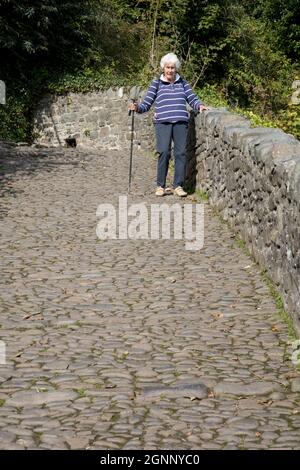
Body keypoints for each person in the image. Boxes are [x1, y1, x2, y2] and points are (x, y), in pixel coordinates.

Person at [128, 52, 209, 197]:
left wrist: (199, 106)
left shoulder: (182, 82)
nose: (170, 70)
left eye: (172, 67)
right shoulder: (156, 83)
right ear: (163, 68)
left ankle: (178, 185)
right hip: (162, 123)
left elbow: (192, 98)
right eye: (167, 67)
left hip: (180, 122)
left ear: (176, 68)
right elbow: (147, 103)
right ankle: (160, 185)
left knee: (180, 154)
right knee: (164, 152)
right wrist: (138, 108)